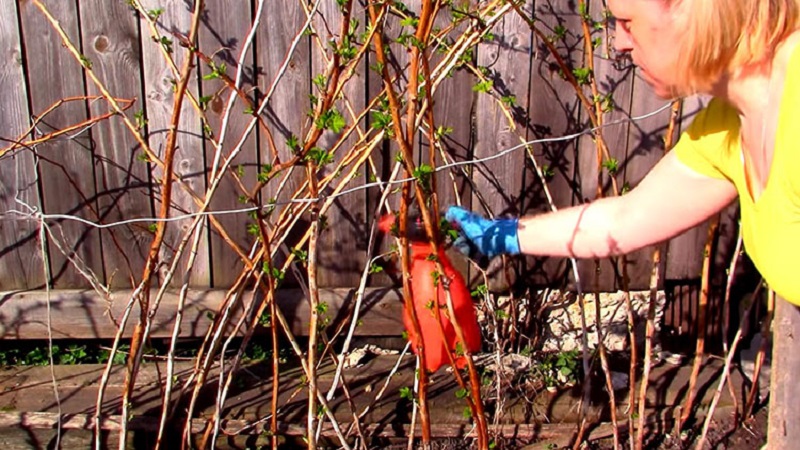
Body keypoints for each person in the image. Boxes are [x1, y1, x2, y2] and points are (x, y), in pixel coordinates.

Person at [445, 0, 800, 447]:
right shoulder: (731, 123)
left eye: (627, 22)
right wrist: (505, 236)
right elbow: (629, 217)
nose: (618, 43)